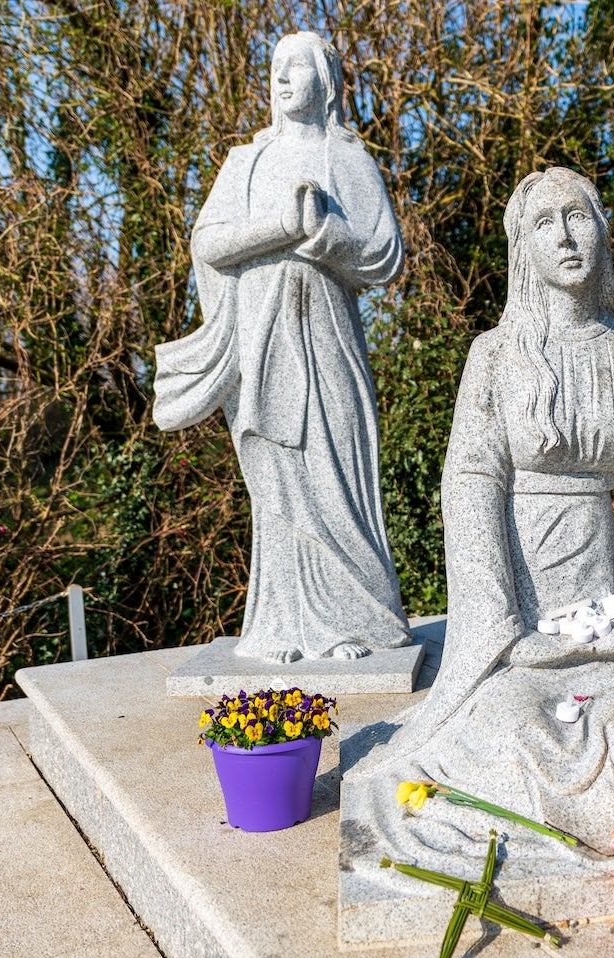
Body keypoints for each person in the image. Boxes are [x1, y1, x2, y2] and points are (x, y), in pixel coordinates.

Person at [349, 167, 614, 875]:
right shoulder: (495, 356)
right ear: (521, 248)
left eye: (579, 217)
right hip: (514, 635)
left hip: (596, 627)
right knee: (509, 735)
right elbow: (469, 484)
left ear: (601, 230)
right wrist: (507, 628)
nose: (565, 236)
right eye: (544, 223)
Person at [152, 31, 410, 663]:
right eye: (276, 68)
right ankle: (283, 628)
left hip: (328, 345)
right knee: (277, 489)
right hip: (260, 346)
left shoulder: (346, 158)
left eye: (298, 67)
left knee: (337, 478)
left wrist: (323, 228)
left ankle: (360, 620)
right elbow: (210, 244)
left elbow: (386, 254)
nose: (283, 79)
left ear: (327, 79)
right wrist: (281, 227)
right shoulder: (246, 160)